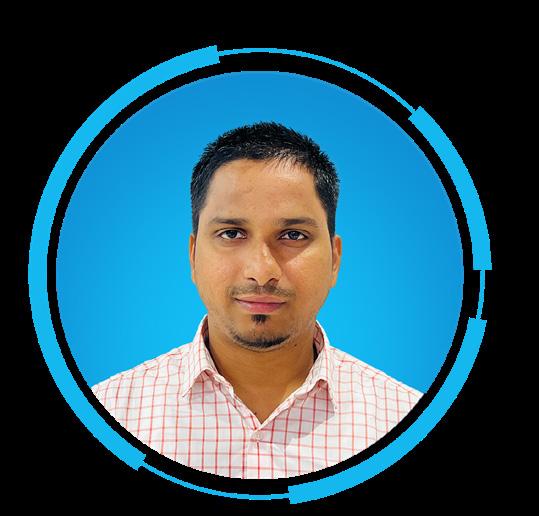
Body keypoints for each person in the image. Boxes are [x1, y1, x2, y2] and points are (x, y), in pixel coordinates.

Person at [91, 121, 423, 479]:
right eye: (232, 233)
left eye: (293, 235)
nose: (261, 272)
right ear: (193, 255)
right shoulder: (108, 414)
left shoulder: (406, 422)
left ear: (334, 259)